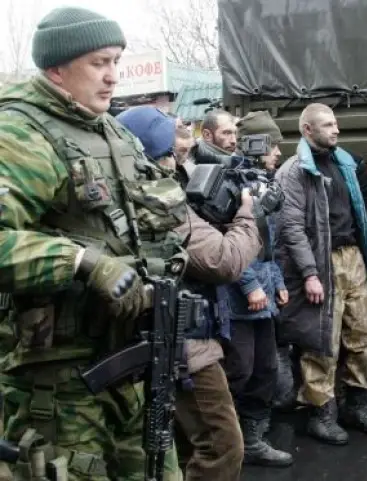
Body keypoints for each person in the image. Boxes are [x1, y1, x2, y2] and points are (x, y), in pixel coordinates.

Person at [0, 7, 184, 480]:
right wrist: (82, 262)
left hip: (132, 361)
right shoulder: (20, 134)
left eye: (116, 61)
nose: (112, 76)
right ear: (56, 69)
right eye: (99, 62)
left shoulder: (112, 130)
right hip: (60, 385)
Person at [118, 105, 265, 481]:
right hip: (184, 346)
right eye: (173, 150)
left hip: (163, 341)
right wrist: (248, 214)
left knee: (186, 447)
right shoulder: (159, 203)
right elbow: (225, 260)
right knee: (221, 446)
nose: (179, 159)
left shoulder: (126, 197)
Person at [275, 103, 367, 445]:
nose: (336, 130)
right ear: (307, 130)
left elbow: (362, 212)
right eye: (327, 125)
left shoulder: (345, 163)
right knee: (321, 341)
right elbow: (291, 227)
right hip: (322, 262)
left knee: (364, 335)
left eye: (336, 124)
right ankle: (320, 413)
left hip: (353, 257)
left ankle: (356, 404)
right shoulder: (294, 171)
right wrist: (310, 273)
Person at [217, 110, 294, 466]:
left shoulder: (260, 182)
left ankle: (252, 439)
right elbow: (227, 241)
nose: (277, 152)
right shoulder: (228, 184)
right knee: (239, 369)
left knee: (266, 369)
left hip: (262, 293)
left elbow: (266, 242)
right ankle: (223, 442)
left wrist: (276, 282)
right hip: (236, 298)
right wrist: (250, 286)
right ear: (256, 144)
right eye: (272, 144)